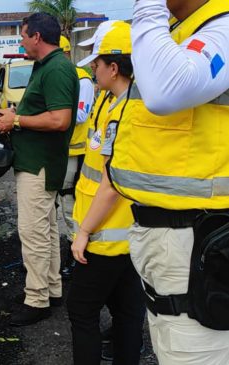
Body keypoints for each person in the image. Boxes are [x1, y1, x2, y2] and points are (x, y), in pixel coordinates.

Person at [108, 0, 229, 363]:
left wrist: (148, 9)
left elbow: (164, 92)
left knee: (194, 351)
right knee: (171, 345)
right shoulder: (181, 32)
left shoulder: (222, 26)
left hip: (197, 240)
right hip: (168, 239)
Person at [0, 13, 79, 326]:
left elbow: (60, 119)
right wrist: (13, 114)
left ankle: (36, 299)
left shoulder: (57, 69)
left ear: (37, 37)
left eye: (23, 35)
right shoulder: (46, 66)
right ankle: (50, 289)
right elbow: (43, 112)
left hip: (40, 165)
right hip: (36, 162)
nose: (21, 41)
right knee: (47, 230)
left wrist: (16, 120)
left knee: (33, 233)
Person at [65, 21, 146, 365]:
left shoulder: (125, 112)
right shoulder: (114, 102)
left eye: (96, 64)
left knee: (82, 312)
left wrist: (83, 232)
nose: (92, 70)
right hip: (129, 236)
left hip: (103, 237)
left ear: (114, 68)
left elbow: (111, 183)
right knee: (128, 314)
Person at [58, 35, 95, 279]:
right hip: (59, 150)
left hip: (76, 151)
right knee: (59, 204)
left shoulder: (82, 81)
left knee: (71, 204)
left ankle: (78, 257)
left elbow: (80, 115)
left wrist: (53, 111)